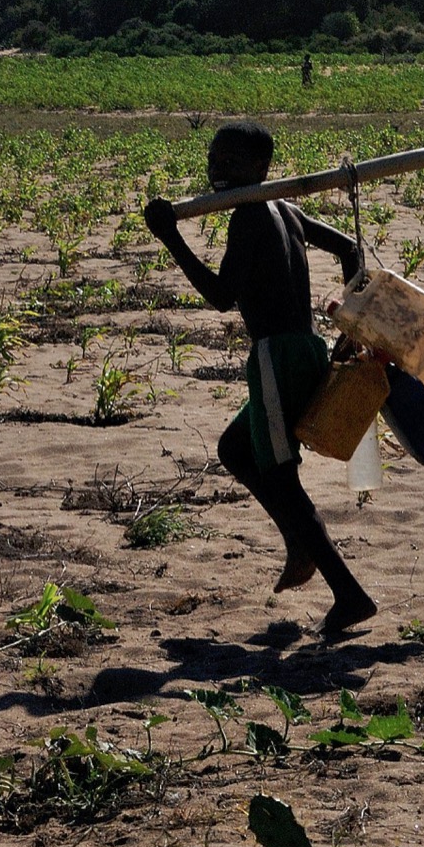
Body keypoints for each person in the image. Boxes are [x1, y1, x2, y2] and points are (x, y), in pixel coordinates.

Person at [143, 121, 378, 636]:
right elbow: (349, 250)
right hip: (303, 350)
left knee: (280, 478)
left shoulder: (249, 217)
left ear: (260, 169)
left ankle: (349, 593)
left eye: (230, 162)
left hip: (275, 356)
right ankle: (299, 544)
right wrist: (349, 307)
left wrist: (171, 238)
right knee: (236, 450)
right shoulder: (288, 208)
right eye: (213, 161)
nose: (217, 170)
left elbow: (222, 296)